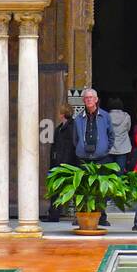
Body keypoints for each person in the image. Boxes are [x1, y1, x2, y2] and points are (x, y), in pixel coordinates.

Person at [74, 88, 115, 226]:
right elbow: (75, 139)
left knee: (101, 189)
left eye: (91, 97)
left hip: (101, 157)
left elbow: (111, 135)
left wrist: (105, 149)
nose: (89, 100)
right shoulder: (78, 118)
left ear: (96, 100)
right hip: (84, 158)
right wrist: (80, 147)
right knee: (82, 188)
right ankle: (82, 215)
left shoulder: (105, 116)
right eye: (86, 98)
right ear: (83, 101)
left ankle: (102, 217)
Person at [47, 104, 78, 222]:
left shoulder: (71, 127)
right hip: (59, 163)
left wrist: (63, 163)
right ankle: (53, 215)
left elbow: (70, 147)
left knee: (72, 190)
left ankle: (78, 216)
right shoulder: (60, 128)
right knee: (56, 189)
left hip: (68, 164)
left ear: (62, 114)